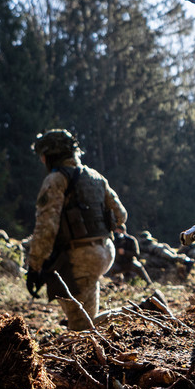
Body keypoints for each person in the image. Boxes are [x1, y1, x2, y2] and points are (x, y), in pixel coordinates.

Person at [24, 129, 127, 331]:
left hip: (80, 258)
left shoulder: (56, 180)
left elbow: (46, 228)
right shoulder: (96, 176)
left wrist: (34, 267)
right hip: (104, 250)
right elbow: (121, 216)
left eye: (43, 156)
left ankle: (145, 309)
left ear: (51, 155)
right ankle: (140, 310)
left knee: (81, 327)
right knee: (86, 315)